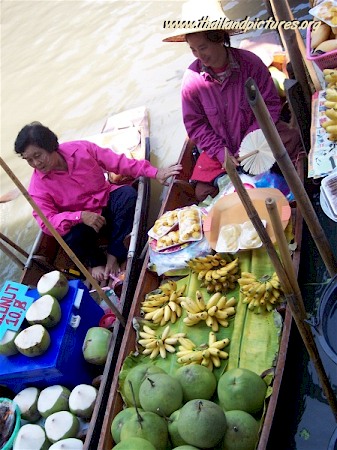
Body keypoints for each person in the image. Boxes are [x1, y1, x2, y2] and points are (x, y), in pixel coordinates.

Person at [163, 0, 305, 202]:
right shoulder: (192, 79)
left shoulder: (250, 64)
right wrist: (221, 153)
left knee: (294, 150)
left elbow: (271, 104)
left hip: (258, 138)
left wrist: (250, 142)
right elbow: (195, 125)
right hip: (221, 148)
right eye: (193, 50)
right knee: (201, 193)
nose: (199, 56)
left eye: (203, 47)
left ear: (219, 38)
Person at [14, 122, 182, 282]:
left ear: (50, 146)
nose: (36, 164)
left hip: (106, 202)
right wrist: (80, 216)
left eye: (38, 156)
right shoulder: (37, 188)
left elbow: (119, 163)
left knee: (128, 195)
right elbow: (47, 223)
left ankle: (114, 255)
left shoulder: (81, 149)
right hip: (84, 227)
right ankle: (95, 262)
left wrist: (155, 172)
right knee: (70, 235)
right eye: (29, 160)